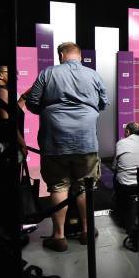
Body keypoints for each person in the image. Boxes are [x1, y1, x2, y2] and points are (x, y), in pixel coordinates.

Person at [26, 42, 108, 252]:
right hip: (85, 140)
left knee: (57, 186)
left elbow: (32, 102)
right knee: (84, 186)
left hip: (54, 140)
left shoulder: (48, 73)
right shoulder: (93, 75)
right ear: (79, 56)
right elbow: (103, 103)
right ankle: (87, 231)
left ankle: (59, 236)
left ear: (61, 55)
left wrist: (50, 110)